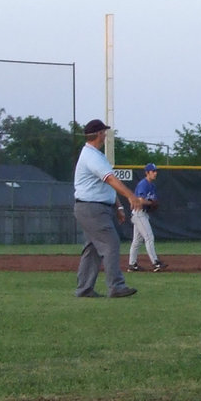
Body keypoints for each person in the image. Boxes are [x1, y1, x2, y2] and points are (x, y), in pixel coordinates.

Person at [73, 119, 143, 298]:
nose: (105, 135)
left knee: (92, 249)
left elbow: (105, 187)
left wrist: (118, 206)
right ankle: (116, 286)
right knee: (111, 242)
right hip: (92, 208)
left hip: (91, 207)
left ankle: (84, 289)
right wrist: (130, 196)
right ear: (98, 134)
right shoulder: (92, 156)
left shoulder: (93, 154)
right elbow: (110, 180)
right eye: (104, 132)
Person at [128, 163, 167, 272]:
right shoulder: (143, 184)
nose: (155, 173)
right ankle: (155, 263)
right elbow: (140, 200)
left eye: (156, 171)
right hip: (139, 213)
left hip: (143, 214)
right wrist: (150, 203)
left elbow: (152, 201)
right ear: (147, 172)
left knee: (137, 241)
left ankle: (132, 265)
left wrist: (151, 204)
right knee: (149, 237)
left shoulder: (152, 186)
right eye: (153, 171)